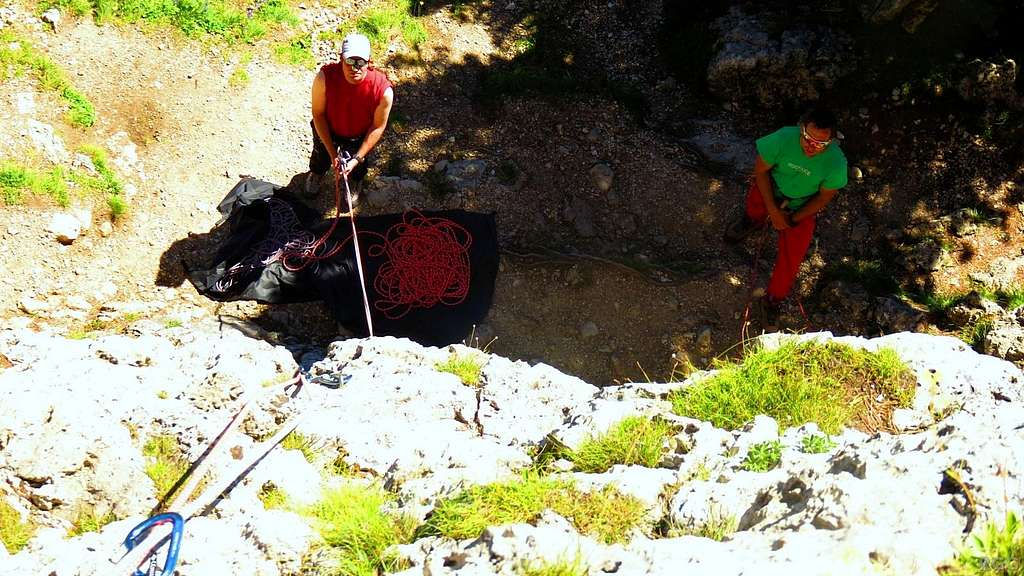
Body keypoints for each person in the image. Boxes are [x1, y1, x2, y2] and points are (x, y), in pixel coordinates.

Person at [724, 108, 848, 330]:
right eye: (808, 139)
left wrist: (791, 219)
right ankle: (753, 220)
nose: (812, 147)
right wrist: (773, 211)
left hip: (801, 204)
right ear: (801, 130)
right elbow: (760, 172)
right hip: (773, 187)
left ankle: (773, 299)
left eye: (821, 144)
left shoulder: (836, 163)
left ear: (831, 141)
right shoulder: (783, 137)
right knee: (756, 200)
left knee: (793, 255)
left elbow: (823, 198)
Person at [306, 32, 395, 197]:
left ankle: (355, 180)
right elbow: (318, 115)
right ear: (341, 58)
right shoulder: (324, 79)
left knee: (358, 164)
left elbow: (377, 126)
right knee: (321, 153)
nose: (355, 68)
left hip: (359, 134)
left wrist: (356, 159)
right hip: (329, 126)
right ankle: (318, 172)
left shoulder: (383, 91)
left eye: (360, 62)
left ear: (368, 61)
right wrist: (333, 155)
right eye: (349, 61)